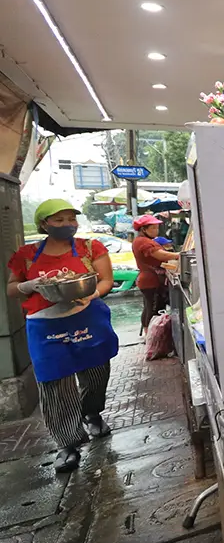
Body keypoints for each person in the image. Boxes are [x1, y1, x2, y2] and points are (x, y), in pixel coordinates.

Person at [7, 199, 119, 472]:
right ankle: (67, 444)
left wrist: (92, 294)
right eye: (59, 220)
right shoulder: (26, 254)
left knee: (96, 375)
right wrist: (29, 285)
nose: (67, 224)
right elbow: (11, 289)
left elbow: (106, 279)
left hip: (87, 319)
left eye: (71, 219)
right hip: (45, 327)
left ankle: (91, 413)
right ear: (44, 224)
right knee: (54, 384)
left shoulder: (90, 247)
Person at [131, 215, 180, 334]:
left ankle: (148, 335)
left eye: (157, 228)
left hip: (147, 279)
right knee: (154, 309)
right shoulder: (143, 242)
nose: (156, 231)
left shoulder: (142, 240)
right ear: (143, 229)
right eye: (153, 228)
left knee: (149, 308)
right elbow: (161, 255)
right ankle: (151, 336)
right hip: (150, 280)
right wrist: (180, 255)